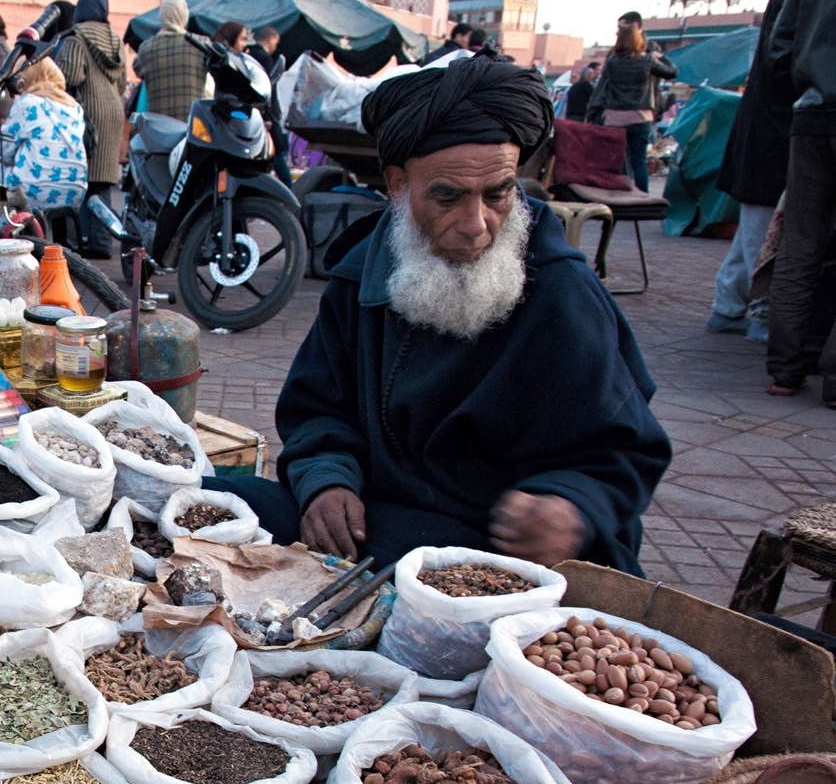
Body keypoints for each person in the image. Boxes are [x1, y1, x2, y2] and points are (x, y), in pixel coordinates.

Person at [204, 54, 671, 574]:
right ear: (398, 185)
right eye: (447, 197)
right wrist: (328, 478)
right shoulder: (362, 276)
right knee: (210, 498)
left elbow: (622, 451)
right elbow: (318, 408)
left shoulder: (561, 289)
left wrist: (567, 504)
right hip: (378, 520)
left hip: (498, 550)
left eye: (498, 195)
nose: (477, 224)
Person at [706, 0, 792, 340]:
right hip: (775, 130)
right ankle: (759, 311)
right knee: (764, 227)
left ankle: (730, 306)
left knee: (756, 227)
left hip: (767, 128)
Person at [764, 0, 836, 406]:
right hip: (813, 107)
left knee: (799, 245)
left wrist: (807, 80)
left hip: (811, 112)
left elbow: (780, 45)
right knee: (803, 246)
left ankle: (786, 368)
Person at [56, 0, 127, 259]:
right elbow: (122, 82)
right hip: (113, 111)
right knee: (103, 181)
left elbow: (69, 77)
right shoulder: (115, 40)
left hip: (87, 114)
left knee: (82, 181)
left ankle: (86, 241)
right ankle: (103, 242)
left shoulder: (75, 38)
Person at [587, 11, 676, 192]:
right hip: (641, 117)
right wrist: (660, 55)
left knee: (619, 160)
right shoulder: (647, 60)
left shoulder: (612, 61)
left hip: (614, 118)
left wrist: (593, 112)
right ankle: (642, 198)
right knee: (639, 160)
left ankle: (618, 195)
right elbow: (672, 72)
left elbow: (602, 88)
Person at [1, 59, 89, 225]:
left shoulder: (27, 103)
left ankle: (2, 234)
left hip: (34, 191)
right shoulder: (74, 107)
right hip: (74, 190)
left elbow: (5, 151)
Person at [133, 0, 206, 121]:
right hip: (191, 125)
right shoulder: (200, 45)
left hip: (159, 127)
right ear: (184, 14)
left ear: (161, 15)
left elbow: (137, 68)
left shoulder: (146, 49)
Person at [248, 25, 293, 186]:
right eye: (276, 42)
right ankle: (289, 188)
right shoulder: (264, 58)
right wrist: (268, 115)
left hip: (254, 114)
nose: (276, 47)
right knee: (278, 152)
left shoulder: (248, 56)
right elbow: (267, 90)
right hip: (265, 114)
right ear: (270, 39)